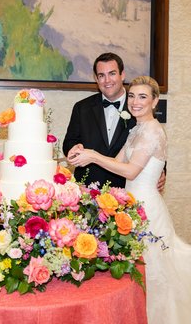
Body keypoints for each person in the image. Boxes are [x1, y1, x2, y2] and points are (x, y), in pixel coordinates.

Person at [68, 76, 191, 324]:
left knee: (154, 273)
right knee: (137, 271)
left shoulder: (154, 131)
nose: (135, 102)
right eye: (132, 96)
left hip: (147, 208)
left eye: (143, 96)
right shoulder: (136, 129)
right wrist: (84, 153)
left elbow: (131, 171)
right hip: (132, 205)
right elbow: (118, 162)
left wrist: (93, 156)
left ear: (155, 101)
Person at [63, 52, 165, 190]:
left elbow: (154, 143)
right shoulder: (82, 107)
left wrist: (159, 171)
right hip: (88, 188)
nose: (107, 80)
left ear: (122, 75)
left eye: (112, 73)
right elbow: (69, 142)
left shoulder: (138, 108)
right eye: (101, 75)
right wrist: (74, 149)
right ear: (96, 79)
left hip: (126, 190)